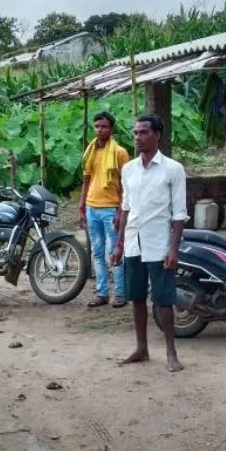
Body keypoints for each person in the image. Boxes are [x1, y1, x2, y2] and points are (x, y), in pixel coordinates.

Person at [112, 113, 187, 373]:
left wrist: (174, 248)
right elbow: (125, 209)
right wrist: (119, 244)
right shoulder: (129, 169)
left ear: (157, 135)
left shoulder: (173, 169)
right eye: (135, 133)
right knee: (136, 297)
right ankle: (142, 348)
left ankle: (171, 352)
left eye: (143, 132)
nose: (138, 138)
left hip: (159, 243)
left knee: (163, 300)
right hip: (134, 241)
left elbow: (179, 213)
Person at [79, 111, 131, 308]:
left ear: (111, 129)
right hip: (92, 207)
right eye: (97, 126)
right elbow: (86, 180)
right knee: (97, 253)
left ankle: (120, 293)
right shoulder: (90, 151)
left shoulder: (120, 153)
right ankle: (102, 293)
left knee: (114, 251)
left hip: (111, 208)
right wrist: (81, 206)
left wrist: (120, 211)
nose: (100, 130)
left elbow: (125, 184)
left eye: (104, 127)